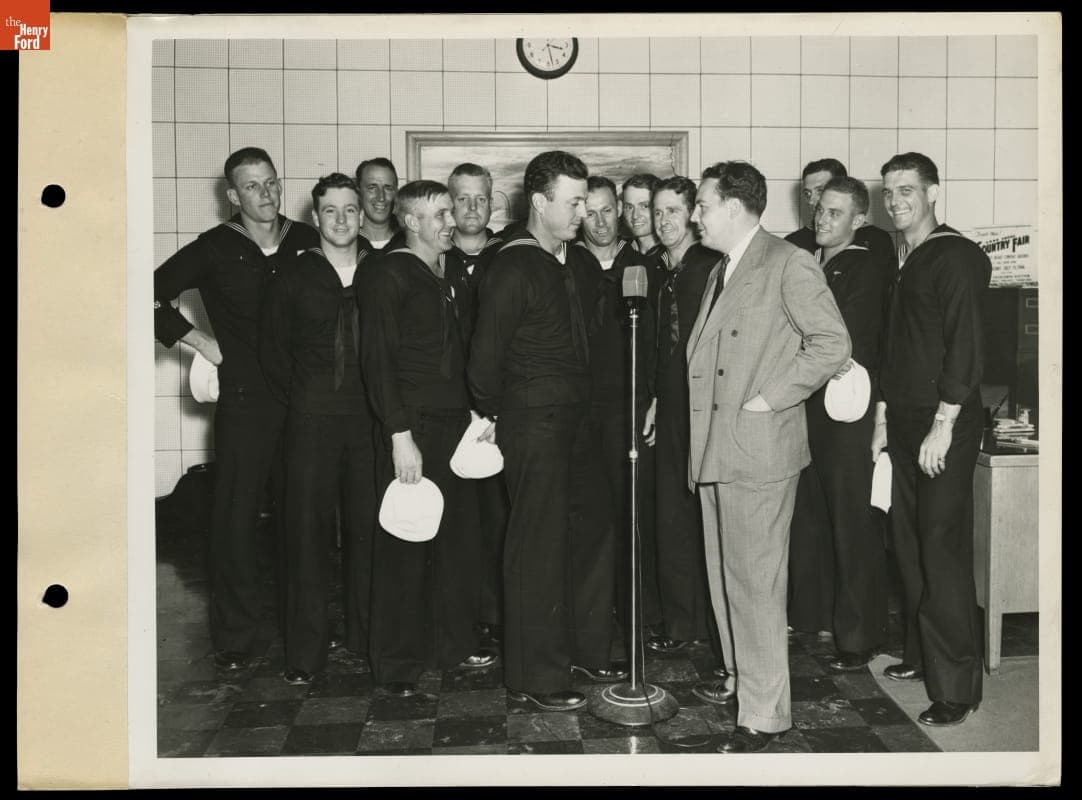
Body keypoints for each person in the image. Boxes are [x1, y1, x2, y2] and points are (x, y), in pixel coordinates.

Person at [686, 161, 850, 753]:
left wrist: (768, 400)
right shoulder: (721, 269)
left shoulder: (788, 262)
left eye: (702, 205)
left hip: (756, 449)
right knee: (724, 577)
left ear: (734, 208)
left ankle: (765, 713)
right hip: (715, 450)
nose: (695, 215)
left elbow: (832, 343)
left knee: (754, 585)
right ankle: (741, 679)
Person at [468, 151, 625, 713]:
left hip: (578, 422)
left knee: (592, 529)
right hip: (532, 424)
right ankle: (535, 675)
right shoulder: (511, 266)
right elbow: (483, 360)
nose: (584, 212)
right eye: (574, 201)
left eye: (586, 200)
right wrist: (491, 417)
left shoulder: (575, 264)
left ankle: (584, 647)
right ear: (539, 202)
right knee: (536, 544)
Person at [153, 147, 319, 671]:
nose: (266, 194)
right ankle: (235, 636)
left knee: (304, 517)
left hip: (305, 401)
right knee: (236, 518)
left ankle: (306, 632)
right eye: (252, 186)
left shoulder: (307, 240)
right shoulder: (215, 247)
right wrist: (202, 342)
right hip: (247, 401)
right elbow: (146, 291)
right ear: (233, 195)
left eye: (271, 183)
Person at [357, 180, 495, 697]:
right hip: (410, 427)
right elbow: (377, 363)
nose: (451, 221)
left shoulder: (450, 272)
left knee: (456, 541)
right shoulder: (386, 273)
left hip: (455, 427)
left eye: (450, 211)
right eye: (439, 214)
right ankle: (396, 665)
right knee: (404, 541)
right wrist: (399, 435)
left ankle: (450, 646)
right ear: (411, 221)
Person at [874, 152, 991, 727]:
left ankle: (956, 688)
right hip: (905, 423)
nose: (896, 201)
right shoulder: (907, 258)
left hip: (944, 423)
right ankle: (922, 657)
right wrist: (884, 424)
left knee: (941, 551)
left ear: (934, 192)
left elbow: (965, 349)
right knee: (911, 544)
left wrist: (942, 427)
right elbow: (900, 352)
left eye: (907, 190)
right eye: (890, 191)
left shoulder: (957, 256)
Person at [260, 173, 376, 684]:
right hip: (310, 422)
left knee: (370, 533)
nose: (342, 219)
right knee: (305, 537)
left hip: (369, 422)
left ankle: (370, 640)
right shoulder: (292, 274)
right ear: (315, 217)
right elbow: (271, 352)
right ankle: (305, 654)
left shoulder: (383, 269)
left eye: (351, 209)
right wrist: (307, 400)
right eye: (331, 211)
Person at [786, 176, 892, 672]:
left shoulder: (866, 266)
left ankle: (859, 634)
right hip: (808, 403)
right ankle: (809, 615)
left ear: (859, 220)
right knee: (809, 512)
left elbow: (838, 336)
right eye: (819, 211)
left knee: (851, 519)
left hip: (849, 408)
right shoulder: (808, 259)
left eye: (833, 212)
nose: (821, 219)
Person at [577, 175, 662, 654]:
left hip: (632, 408)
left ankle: (637, 618)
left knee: (634, 512)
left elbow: (656, 342)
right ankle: (592, 623)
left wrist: (654, 397)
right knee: (593, 519)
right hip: (584, 411)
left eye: (609, 210)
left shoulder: (642, 266)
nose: (602, 220)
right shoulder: (570, 266)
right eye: (590, 212)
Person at [643, 176, 720, 656]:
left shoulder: (713, 266)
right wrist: (654, 395)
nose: (664, 220)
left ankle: (713, 628)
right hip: (669, 408)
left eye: (673, 210)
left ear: (693, 214)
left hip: (708, 408)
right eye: (658, 212)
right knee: (670, 514)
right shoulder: (654, 268)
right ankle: (680, 620)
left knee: (706, 517)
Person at [443, 162, 507, 642]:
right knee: (455, 521)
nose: (470, 208)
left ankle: (496, 613)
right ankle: (459, 619)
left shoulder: (509, 257)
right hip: (447, 411)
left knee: (499, 516)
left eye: (479, 199)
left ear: (493, 203)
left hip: (497, 411)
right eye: (461, 199)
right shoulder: (434, 258)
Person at [786, 158, 895, 271]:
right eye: (807, 193)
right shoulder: (793, 242)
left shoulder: (877, 240)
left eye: (820, 191)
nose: (811, 201)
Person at [355, 157, 405, 254]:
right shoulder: (345, 242)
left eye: (388, 188)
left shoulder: (410, 241)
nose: (381, 197)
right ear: (358, 192)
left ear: (396, 193)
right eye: (372, 188)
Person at [620, 173, 661, 254]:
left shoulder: (672, 255)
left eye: (644, 206)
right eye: (629, 207)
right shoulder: (620, 250)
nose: (635, 215)